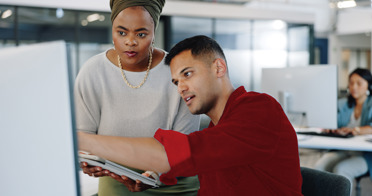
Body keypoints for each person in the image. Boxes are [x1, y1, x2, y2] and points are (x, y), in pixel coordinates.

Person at [78, 35, 303, 195]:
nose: (181, 88)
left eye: (187, 74)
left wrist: (79, 139)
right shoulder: (216, 129)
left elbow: (173, 154)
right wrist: (151, 178)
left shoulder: (259, 108)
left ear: (218, 68)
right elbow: (181, 161)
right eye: (176, 81)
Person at [74, 0, 200, 195]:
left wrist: (154, 174)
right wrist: (87, 161)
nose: (130, 42)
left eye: (141, 34)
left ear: (154, 33)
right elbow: (83, 137)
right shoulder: (93, 72)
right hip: (116, 180)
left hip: (174, 182)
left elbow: (185, 142)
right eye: (121, 32)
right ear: (113, 30)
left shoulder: (176, 71)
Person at [314, 68, 372, 189]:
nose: (354, 87)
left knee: (341, 169)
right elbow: (333, 122)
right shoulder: (343, 103)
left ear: (369, 85)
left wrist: (355, 130)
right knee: (319, 167)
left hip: (365, 155)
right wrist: (331, 127)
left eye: (359, 83)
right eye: (351, 83)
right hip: (343, 150)